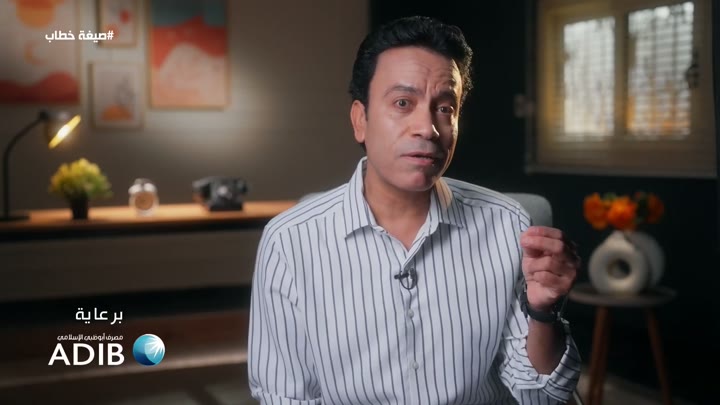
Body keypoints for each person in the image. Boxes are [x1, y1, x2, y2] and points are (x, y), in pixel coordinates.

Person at [248, 16, 581, 405]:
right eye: (403, 103)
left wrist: (543, 313)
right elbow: (287, 397)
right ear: (360, 120)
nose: (428, 128)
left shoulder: (507, 224)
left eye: (445, 107)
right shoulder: (290, 240)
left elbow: (542, 397)